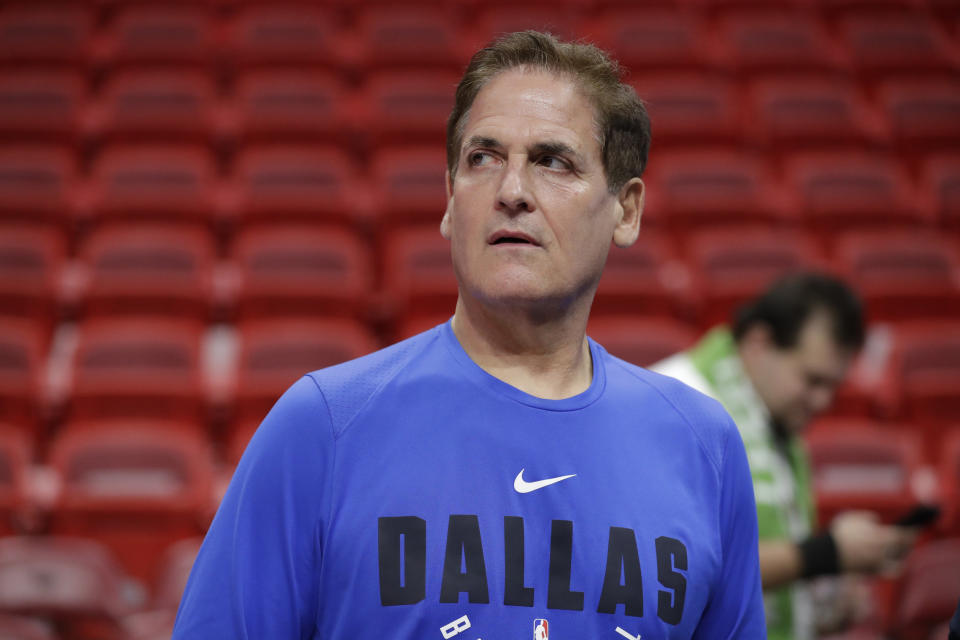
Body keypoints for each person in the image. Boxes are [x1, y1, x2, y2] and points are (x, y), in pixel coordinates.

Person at [173, 31, 765, 638]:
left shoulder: (705, 448)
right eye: (482, 159)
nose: (511, 192)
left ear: (627, 210)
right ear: (451, 200)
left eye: (552, 161)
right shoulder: (323, 426)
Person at [653, 273, 916, 640]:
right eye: (811, 380)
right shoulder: (673, 404)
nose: (823, 402)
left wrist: (820, 611)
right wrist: (823, 554)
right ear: (759, 343)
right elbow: (669, 567)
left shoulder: (775, 423)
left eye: (833, 387)